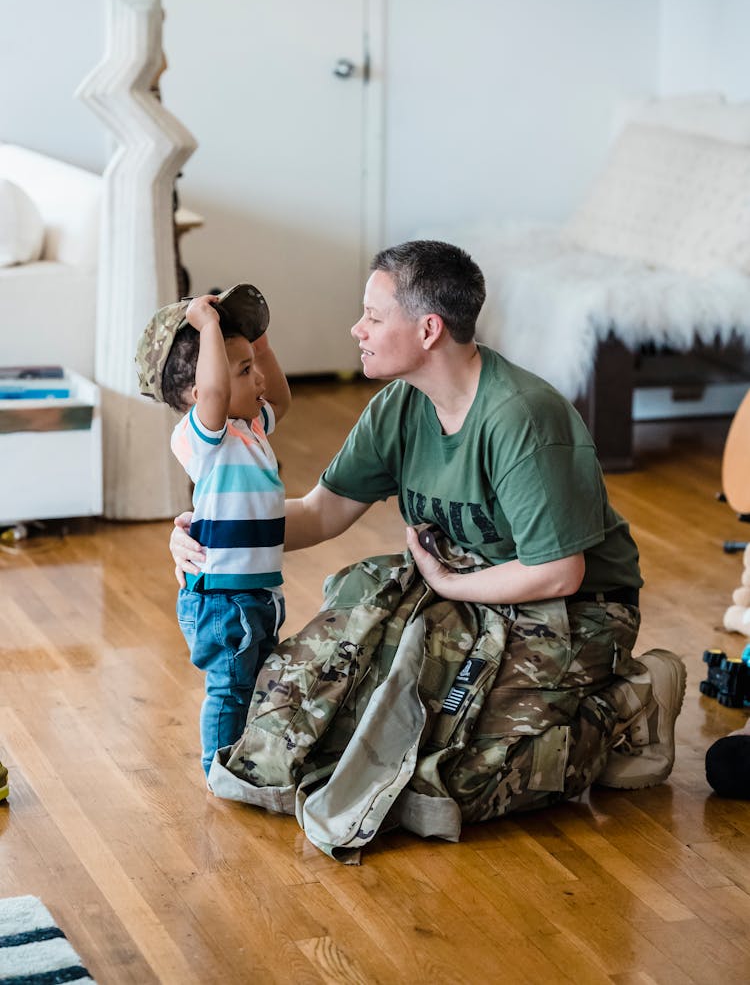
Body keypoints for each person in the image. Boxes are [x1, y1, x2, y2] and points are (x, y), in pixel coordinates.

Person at [171, 241, 686, 805]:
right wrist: (210, 534)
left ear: (429, 330)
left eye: (372, 316)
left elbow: (559, 571)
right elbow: (320, 514)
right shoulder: (398, 406)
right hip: (464, 589)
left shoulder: (521, 417)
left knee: (461, 783)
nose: (356, 330)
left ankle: (633, 698)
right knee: (339, 735)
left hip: (576, 604)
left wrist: (448, 585)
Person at [136, 283, 291, 779]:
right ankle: (218, 769)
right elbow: (219, 391)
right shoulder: (206, 437)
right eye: (245, 370)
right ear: (201, 393)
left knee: (257, 679)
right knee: (229, 686)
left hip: (256, 592)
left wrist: (258, 343)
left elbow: (282, 398)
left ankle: (246, 758)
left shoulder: (251, 428)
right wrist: (205, 327)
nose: (259, 378)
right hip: (223, 598)